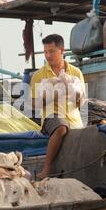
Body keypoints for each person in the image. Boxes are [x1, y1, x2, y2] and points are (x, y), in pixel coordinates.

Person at [30, 34, 85, 180]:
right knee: (61, 127)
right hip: (51, 117)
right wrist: (50, 96)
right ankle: (47, 169)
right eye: (46, 52)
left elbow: (82, 101)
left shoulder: (75, 73)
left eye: (51, 51)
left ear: (62, 50)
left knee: (84, 135)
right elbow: (34, 104)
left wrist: (73, 92)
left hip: (73, 119)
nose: (48, 55)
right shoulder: (38, 75)